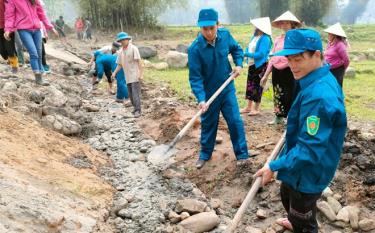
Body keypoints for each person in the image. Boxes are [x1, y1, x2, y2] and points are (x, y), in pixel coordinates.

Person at [254, 29, 347, 232]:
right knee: (287, 194)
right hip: (299, 162)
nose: (292, 66)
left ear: (317, 54)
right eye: (289, 59)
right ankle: (296, 218)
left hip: (309, 170)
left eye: (298, 59)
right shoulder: (314, 78)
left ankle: (302, 224)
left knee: (301, 207)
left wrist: (274, 165)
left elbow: (309, 151)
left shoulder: (319, 96)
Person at [188, 8, 249, 169]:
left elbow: (237, 50)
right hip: (209, 94)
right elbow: (195, 78)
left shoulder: (226, 36)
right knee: (209, 124)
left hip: (227, 88)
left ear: (218, 25)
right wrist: (201, 99)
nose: (208, 32)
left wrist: (238, 65)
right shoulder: (195, 49)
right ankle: (205, 154)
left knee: (235, 121)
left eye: (211, 28)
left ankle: (242, 155)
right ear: (200, 28)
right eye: (204, 29)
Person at [261, 11, 301, 125]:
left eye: (286, 23)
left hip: (289, 70)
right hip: (277, 71)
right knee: (277, 93)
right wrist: (265, 75)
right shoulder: (278, 39)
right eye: (282, 23)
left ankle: (290, 118)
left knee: (290, 93)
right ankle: (278, 117)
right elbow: (273, 57)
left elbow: (298, 55)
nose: (283, 25)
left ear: (292, 23)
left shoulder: (295, 37)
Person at [4, 0, 57, 85]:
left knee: (39, 53)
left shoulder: (35, 0)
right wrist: (8, 29)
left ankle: (40, 76)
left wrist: (50, 27)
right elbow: (10, 16)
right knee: (33, 53)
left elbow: (41, 14)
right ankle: (38, 77)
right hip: (23, 30)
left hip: (37, 30)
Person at [241, 17, 272, 116]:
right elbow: (249, 47)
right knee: (250, 85)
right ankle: (248, 107)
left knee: (258, 85)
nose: (254, 26)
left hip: (260, 65)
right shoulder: (254, 37)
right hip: (252, 64)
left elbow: (261, 54)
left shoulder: (265, 38)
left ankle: (256, 108)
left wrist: (247, 54)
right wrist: (245, 53)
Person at [112, 32, 143, 118]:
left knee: (135, 94)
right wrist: (114, 73)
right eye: (120, 40)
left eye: (123, 40)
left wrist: (141, 74)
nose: (122, 41)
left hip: (135, 75)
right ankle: (135, 108)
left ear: (127, 39)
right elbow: (119, 64)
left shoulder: (133, 48)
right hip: (127, 76)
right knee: (131, 94)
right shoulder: (121, 51)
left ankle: (138, 110)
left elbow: (139, 62)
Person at [324, 23, 350, 87]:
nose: (328, 35)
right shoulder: (330, 44)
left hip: (337, 71)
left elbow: (346, 60)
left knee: (336, 88)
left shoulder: (340, 45)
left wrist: (343, 69)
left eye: (329, 34)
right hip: (328, 69)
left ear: (334, 35)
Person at [0, 0, 18, 73]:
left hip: (7, 27)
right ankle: (9, 59)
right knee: (2, 51)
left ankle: (14, 66)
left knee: (10, 48)